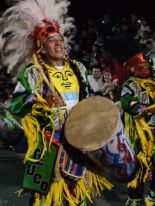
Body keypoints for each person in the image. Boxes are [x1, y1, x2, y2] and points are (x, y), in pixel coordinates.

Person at [0, 0, 113, 205]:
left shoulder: (79, 68)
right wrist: (40, 98)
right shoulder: (33, 73)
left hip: (77, 143)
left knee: (74, 197)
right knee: (44, 199)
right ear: (41, 49)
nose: (59, 42)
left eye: (60, 38)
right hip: (49, 144)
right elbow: (14, 105)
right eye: (51, 40)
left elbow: (91, 100)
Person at [121, 53, 155, 206]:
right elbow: (126, 103)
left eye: (148, 65)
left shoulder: (154, 83)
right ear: (134, 68)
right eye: (143, 66)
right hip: (138, 134)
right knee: (138, 167)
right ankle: (134, 199)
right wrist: (147, 109)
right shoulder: (129, 84)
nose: (147, 67)